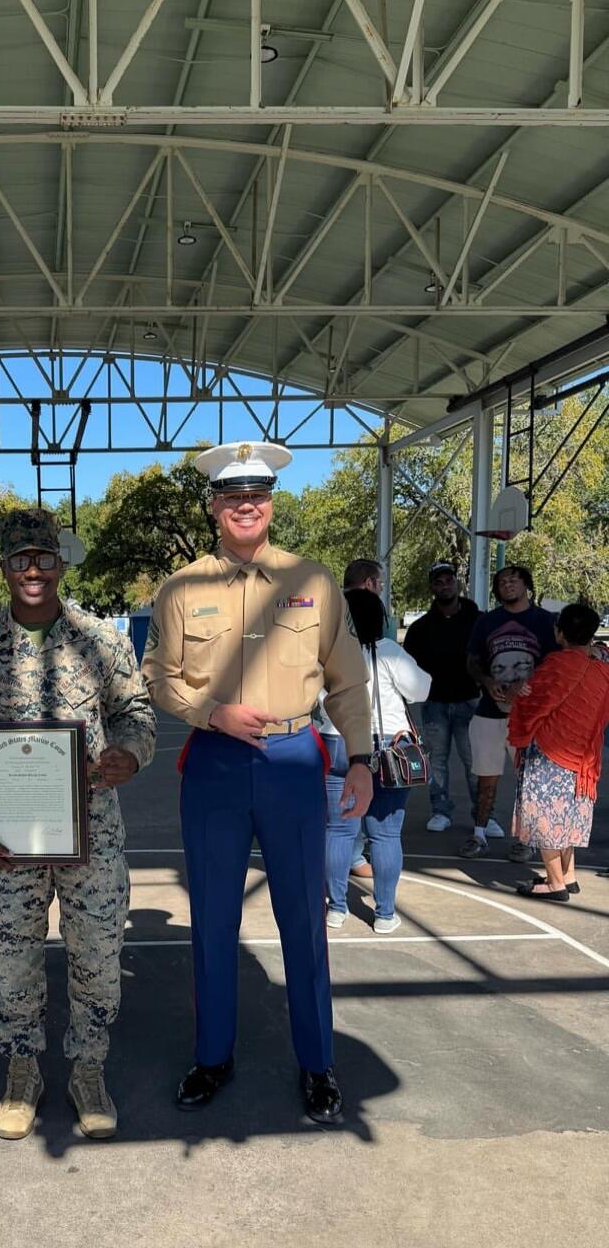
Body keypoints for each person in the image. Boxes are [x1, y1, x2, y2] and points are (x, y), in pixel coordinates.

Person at [142, 441, 373, 1125]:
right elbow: (157, 675)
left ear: (271, 503)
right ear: (214, 506)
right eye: (232, 496)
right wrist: (209, 711)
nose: (246, 506)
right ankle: (212, 1056)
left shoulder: (315, 580)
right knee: (212, 917)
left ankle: (317, 1063)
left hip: (295, 761)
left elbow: (348, 679)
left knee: (303, 918)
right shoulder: (182, 587)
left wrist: (359, 758)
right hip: (214, 762)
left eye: (257, 496)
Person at [0, 509, 156, 1141]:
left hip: (92, 837)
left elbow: (136, 713)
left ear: (61, 563)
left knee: (97, 956)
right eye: (19, 560)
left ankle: (88, 1067)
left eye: (44, 558)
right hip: (5, 843)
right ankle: (22, 1066)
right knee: (16, 958)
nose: (33, 571)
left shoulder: (101, 642)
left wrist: (129, 755)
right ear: (3, 568)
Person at [322, 589, 431, 934]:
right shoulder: (388, 653)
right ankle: (384, 913)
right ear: (380, 619)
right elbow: (421, 690)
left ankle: (336, 908)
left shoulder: (324, 654)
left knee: (338, 830)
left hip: (336, 742)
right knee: (385, 835)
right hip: (388, 749)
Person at [508, 602, 609, 901]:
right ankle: (569, 875)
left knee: (545, 817)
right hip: (583, 755)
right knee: (569, 815)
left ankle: (555, 883)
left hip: (550, 753)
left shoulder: (557, 665)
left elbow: (531, 702)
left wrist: (515, 691)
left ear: (560, 633)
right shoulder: (602, 668)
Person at [462, 565, 557, 861]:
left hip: (530, 715)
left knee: (528, 780)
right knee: (486, 778)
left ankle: (526, 839)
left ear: (526, 584)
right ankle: (479, 835)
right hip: (490, 712)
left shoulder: (545, 621)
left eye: (514, 580)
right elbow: (472, 661)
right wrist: (487, 681)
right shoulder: (487, 622)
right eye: (502, 582)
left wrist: (526, 683)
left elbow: (557, 665)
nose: (508, 585)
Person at [402, 562, 488, 834]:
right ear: (432, 588)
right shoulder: (420, 628)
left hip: (470, 701)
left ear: (457, 583)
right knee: (437, 761)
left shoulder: (477, 620)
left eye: (448, 580)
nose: (444, 585)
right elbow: (409, 667)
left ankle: (483, 815)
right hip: (435, 704)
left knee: (475, 762)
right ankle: (440, 811)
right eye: (438, 582)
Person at [339, 558, 387, 877]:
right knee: (362, 797)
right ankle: (356, 856)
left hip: (328, 724)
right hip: (359, 722)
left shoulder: (329, 604)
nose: (381, 588)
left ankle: (344, 867)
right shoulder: (378, 650)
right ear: (369, 583)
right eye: (379, 583)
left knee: (337, 808)